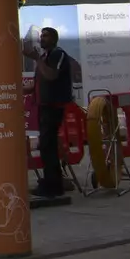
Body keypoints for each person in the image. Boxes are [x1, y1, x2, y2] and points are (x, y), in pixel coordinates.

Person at [33, 26, 78, 198]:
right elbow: (38, 82)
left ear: (54, 38)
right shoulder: (44, 57)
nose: (42, 39)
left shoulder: (57, 55)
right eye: (41, 36)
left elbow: (51, 75)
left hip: (54, 106)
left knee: (48, 145)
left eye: (45, 36)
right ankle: (50, 181)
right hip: (43, 105)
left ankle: (53, 185)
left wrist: (37, 59)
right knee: (45, 146)